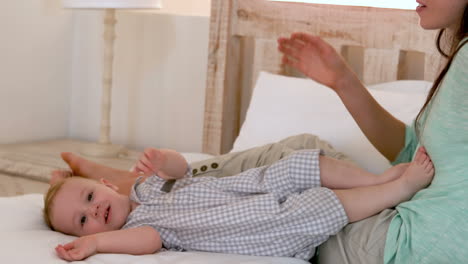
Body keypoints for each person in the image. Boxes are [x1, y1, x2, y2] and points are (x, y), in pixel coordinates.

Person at [277, 1, 467, 263]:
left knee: (289, 164)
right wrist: (343, 81)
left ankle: (200, 188)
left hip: (408, 246)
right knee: (302, 150)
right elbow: (413, 152)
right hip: (410, 236)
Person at [45, 145, 434, 261]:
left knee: (299, 164)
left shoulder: (142, 188)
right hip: (253, 224)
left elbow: (181, 170)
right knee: (316, 206)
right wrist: (97, 243)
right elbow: (147, 243)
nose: (93, 211)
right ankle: (394, 191)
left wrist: (164, 161)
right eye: (82, 221)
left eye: (90, 197)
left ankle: (377, 177)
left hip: (247, 186)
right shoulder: (135, 228)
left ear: (105, 184)